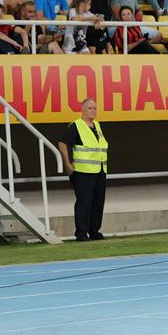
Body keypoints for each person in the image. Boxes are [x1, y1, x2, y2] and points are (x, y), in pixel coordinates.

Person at [58, 98, 108, 242]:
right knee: (84, 202)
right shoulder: (76, 126)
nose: (93, 111)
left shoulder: (97, 126)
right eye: (90, 108)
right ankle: (81, 233)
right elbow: (62, 143)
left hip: (99, 169)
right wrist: (67, 164)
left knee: (98, 202)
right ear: (83, 110)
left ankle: (94, 231)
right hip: (83, 171)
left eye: (95, 108)